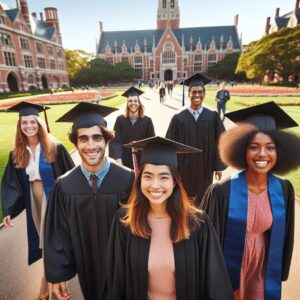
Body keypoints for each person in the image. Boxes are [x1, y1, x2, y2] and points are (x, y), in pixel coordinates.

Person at [107, 136, 234, 300]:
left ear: (174, 182)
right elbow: (117, 283)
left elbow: (215, 283)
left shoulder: (197, 224)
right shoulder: (124, 222)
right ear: (139, 180)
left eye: (164, 177)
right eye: (148, 176)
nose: (155, 185)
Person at [200, 101, 300, 300]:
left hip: (263, 265)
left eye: (270, 147)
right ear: (241, 150)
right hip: (229, 267)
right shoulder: (221, 192)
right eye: (254, 147)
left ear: (278, 152)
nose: (262, 154)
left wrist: (279, 270)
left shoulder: (284, 189)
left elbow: (286, 236)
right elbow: (207, 243)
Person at [44, 102, 135, 300]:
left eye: (97, 138)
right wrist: (59, 275)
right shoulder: (64, 186)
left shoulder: (128, 179)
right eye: (83, 139)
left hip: (126, 272)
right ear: (75, 143)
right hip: (88, 273)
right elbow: (58, 233)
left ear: (107, 140)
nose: (91, 145)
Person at [1, 101, 75, 300]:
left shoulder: (54, 147)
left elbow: (70, 174)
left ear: (39, 123)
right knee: (46, 242)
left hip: (53, 196)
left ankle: (46, 285)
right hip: (34, 197)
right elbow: (12, 182)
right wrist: (7, 209)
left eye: (32, 122)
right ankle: (57, 282)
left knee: (50, 239)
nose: (29, 126)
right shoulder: (17, 152)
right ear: (20, 126)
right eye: (24, 123)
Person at [166, 73, 226, 204]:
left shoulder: (213, 117)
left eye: (200, 92)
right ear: (188, 94)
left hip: (206, 167)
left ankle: (201, 222)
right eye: (193, 92)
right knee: (184, 201)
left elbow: (222, 141)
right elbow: (169, 144)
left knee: (204, 200)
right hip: (183, 169)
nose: (197, 95)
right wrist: (171, 170)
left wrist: (218, 166)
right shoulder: (178, 118)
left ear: (204, 94)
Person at [109, 86, 155, 169]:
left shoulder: (147, 121)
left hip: (142, 161)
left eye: (135, 101)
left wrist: (149, 161)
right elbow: (115, 141)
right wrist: (118, 158)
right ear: (127, 103)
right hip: (124, 162)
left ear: (139, 103)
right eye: (130, 101)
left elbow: (151, 143)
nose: (133, 103)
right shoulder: (120, 120)